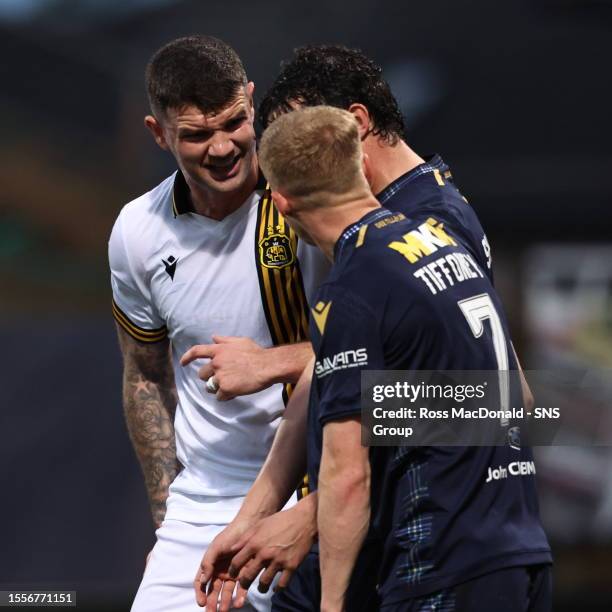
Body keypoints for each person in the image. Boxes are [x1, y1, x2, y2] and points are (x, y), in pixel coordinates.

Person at [196, 45, 534, 610]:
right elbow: (339, 377)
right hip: (385, 531)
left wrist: (313, 512)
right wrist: (257, 513)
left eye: (304, 143)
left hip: (428, 542)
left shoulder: (427, 222)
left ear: (352, 125)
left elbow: (499, 398)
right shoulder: (372, 225)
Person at [256, 105, 553, 611]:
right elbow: (515, 397)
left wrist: (331, 607)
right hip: (520, 552)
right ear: (361, 170)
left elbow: (348, 476)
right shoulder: (443, 239)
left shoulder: (350, 291)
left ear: (281, 205)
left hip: (440, 566)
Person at [108, 35, 327, 612]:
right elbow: (144, 378)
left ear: (251, 102)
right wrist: (167, 523)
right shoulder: (136, 232)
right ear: (159, 134)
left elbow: (399, 352)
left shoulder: (312, 196)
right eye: (197, 135)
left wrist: (274, 361)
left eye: (233, 122)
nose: (224, 147)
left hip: (319, 486)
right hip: (200, 507)